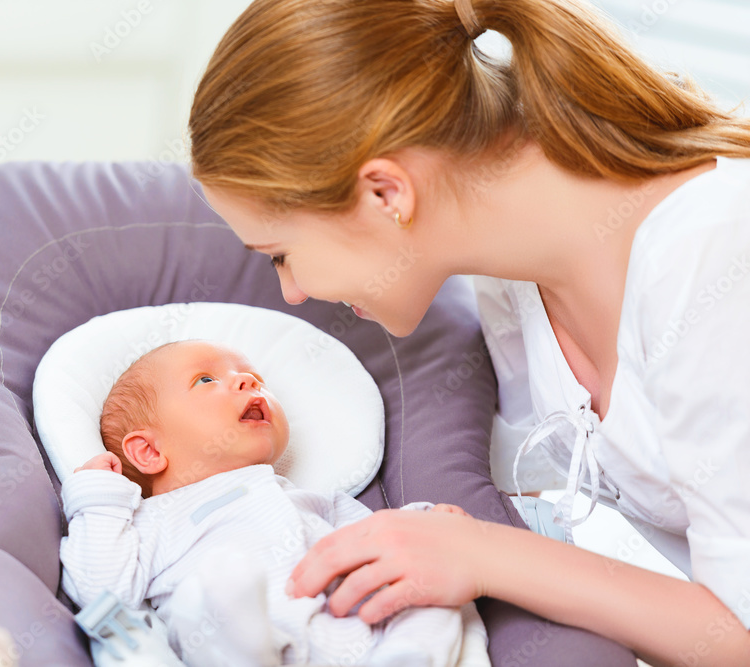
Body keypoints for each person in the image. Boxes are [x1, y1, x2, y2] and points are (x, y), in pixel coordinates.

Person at [185, 0, 750, 665]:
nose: (292, 291)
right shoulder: (508, 278)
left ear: (386, 194)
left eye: (281, 253)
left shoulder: (712, 262)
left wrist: (484, 555)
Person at [59, 339, 490, 666]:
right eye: (206, 380)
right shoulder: (148, 522)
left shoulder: (312, 498)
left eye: (254, 378)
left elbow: (383, 543)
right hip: (240, 642)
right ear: (150, 452)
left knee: (439, 590)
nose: (248, 381)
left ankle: (413, 654)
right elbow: (103, 592)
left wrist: (426, 524)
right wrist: (99, 498)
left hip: (354, 641)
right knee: (211, 606)